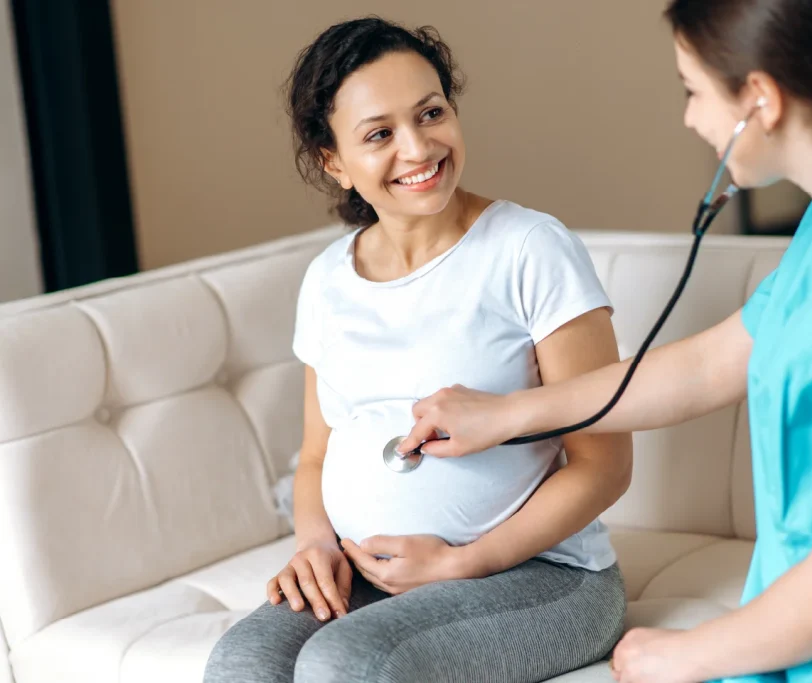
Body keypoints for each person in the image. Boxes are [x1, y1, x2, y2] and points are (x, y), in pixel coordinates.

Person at [399, 1, 812, 681]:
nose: (691, 117)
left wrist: (681, 653)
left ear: (760, 99)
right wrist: (509, 412)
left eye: (693, 91)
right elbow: (710, 363)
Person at [203, 17, 632, 683]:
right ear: (333, 161)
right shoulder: (326, 281)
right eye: (379, 133)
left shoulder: (529, 249)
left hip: (541, 575)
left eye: (431, 113)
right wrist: (315, 545)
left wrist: (465, 560)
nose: (418, 146)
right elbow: (317, 454)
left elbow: (605, 463)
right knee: (242, 662)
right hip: (371, 574)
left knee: (349, 663)